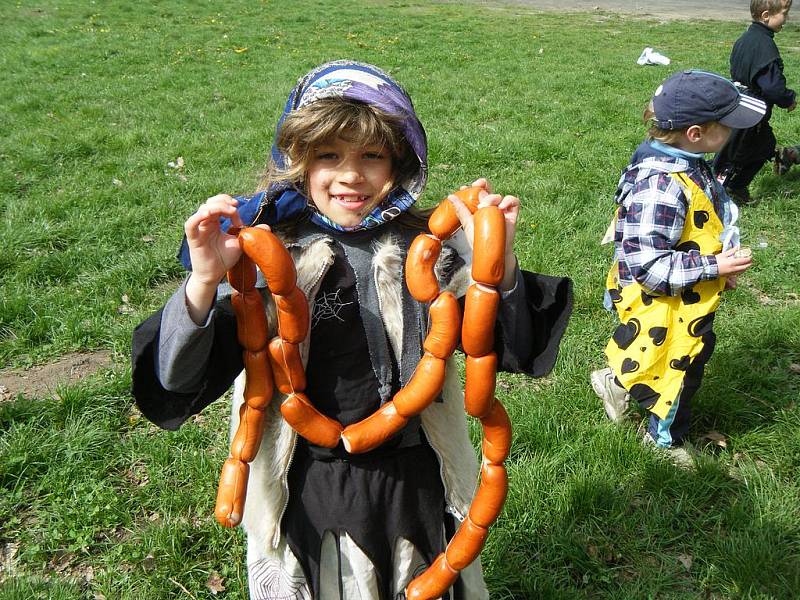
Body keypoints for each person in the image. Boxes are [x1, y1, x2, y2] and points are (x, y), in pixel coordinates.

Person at [131, 61, 573, 600]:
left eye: (372, 155)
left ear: (400, 163)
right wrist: (205, 280)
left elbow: (511, 347)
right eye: (328, 155)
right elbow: (179, 379)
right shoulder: (265, 255)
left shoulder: (430, 251)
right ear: (297, 160)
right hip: (305, 479)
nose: (350, 175)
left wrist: (496, 263)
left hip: (416, 468)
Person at [591, 70, 762, 461]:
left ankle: (615, 382)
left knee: (649, 352)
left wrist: (718, 265)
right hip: (665, 300)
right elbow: (649, 266)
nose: (735, 132)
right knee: (681, 368)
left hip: (681, 292)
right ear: (697, 133)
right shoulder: (661, 186)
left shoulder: (682, 157)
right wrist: (712, 266)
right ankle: (664, 443)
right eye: (728, 125)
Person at [713, 0, 796, 205]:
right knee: (731, 157)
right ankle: (717, 193)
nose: (787, 18)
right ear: (766, 15)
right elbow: (772, 87)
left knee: (765, 146)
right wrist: (789, 99)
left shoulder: (746, 38)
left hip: (742, 108)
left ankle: (736, 187)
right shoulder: (764, 46)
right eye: (785, 13)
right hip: (748, 114)